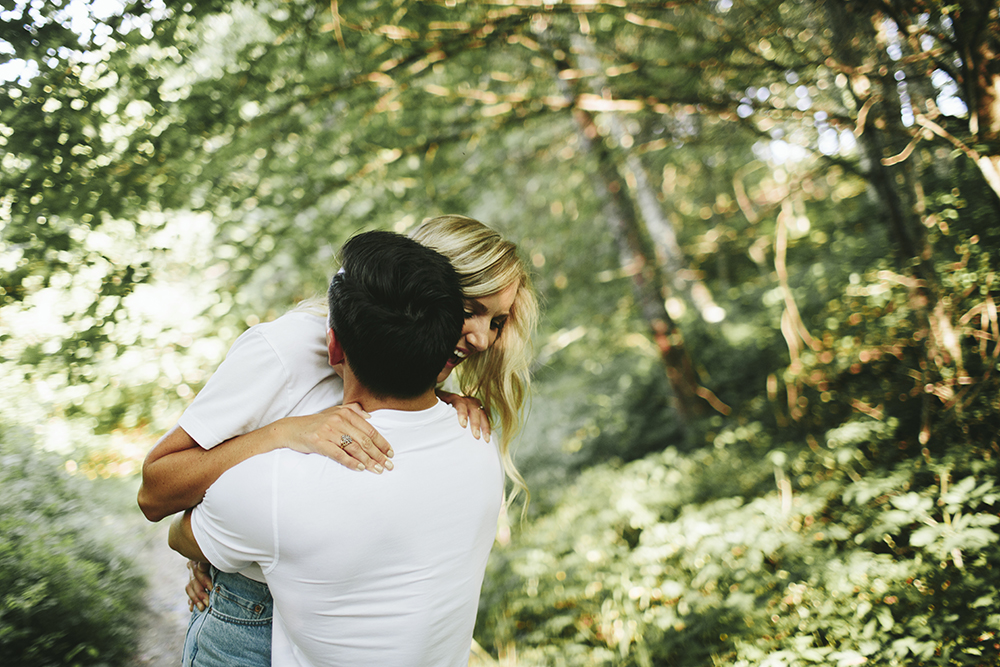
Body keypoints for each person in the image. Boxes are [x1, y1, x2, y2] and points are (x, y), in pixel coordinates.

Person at [137, 215, 538, 665]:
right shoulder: (288, 349)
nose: (483, 339)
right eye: (470, 311)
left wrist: (447, 403)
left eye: (498, 321)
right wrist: (282, 434)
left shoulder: (434, 383)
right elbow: (158, 488)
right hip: (253, 612)